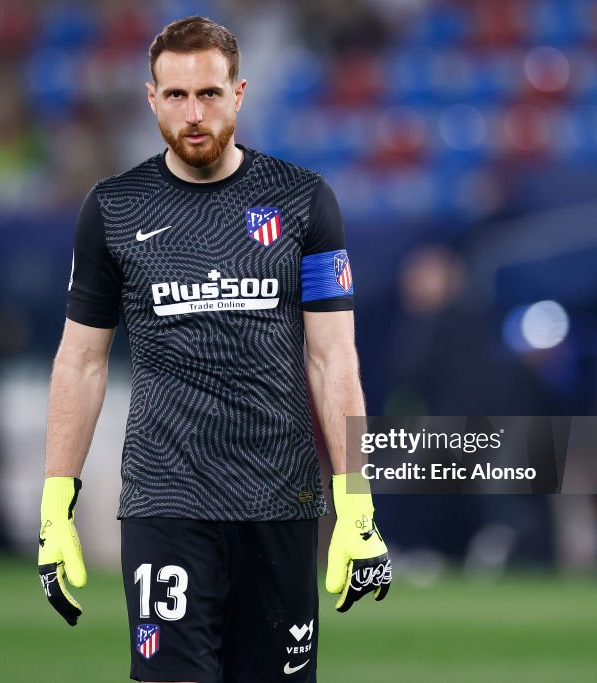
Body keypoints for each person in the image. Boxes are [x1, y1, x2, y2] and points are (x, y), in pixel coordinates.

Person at [37, 16, 391, 683]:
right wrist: (56, 506)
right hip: (165, 501)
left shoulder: (306, 202)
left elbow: (333, 358)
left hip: (280, 502)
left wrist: (357, 505)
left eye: (208, 94)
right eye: (175, 96)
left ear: (239, 93)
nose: (193, 113)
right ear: (151, 99)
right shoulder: (113, 209)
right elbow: (79, 362)